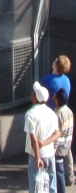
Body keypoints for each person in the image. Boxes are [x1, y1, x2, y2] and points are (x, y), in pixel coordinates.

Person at [42, 56, 74, 187]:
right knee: (66, 146)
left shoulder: (47, 80)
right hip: (66, 111)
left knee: (53, 143)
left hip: (52, 114)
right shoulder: (66, 80)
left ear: (56, 65)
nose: (53, 60)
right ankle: (70, 175)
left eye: (55, 60)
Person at [25, 81, 60, 193]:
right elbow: (57, 133)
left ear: (35, 97)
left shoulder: (30, 114)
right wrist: (44, 143)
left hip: (36, 155)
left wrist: (37, 158)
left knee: (35, 187)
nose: (31, 95)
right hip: (50, 154)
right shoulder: (52, 113)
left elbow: (33, 138)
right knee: (51, 186)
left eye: (33, 93)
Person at [53, 88, 74, 193]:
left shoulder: (57, 115)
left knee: (59, 171)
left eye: (54, 96)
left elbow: (56, 133)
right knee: (69, 161)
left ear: (57, 100)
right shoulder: (69, 111)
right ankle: (70, 178)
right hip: (68, 142)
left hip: (59, 147)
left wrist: (53, 149)